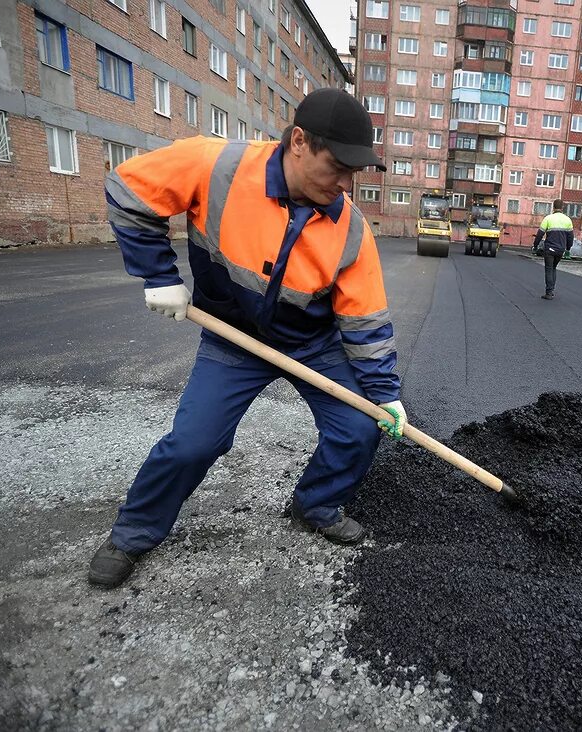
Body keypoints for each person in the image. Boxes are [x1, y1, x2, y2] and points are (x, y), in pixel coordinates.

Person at [89, 88, 405, 589]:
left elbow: (365, 320)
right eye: (338, 166)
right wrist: (158, 275)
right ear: (298, 141)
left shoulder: (350, 229)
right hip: (233, 337)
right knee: (194, 442)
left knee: (360, 429)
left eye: (355, 172)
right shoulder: (218, 167)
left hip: (311, 343)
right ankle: (132, 533)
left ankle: (316, 503)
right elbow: (128, 190)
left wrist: (386, 396)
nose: (346, 183)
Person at [533, 199, 574, 300]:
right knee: (554, 268)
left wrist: (535, 245)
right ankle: (552, 290)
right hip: (560, 250)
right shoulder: (568, 220)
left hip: (549, 249)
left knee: (549, 269)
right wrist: (568, 249)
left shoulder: (548, 218)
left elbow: (540, 234)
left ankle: (549, 292)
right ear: (562, 207)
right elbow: (570, 237)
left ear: (553, 207)